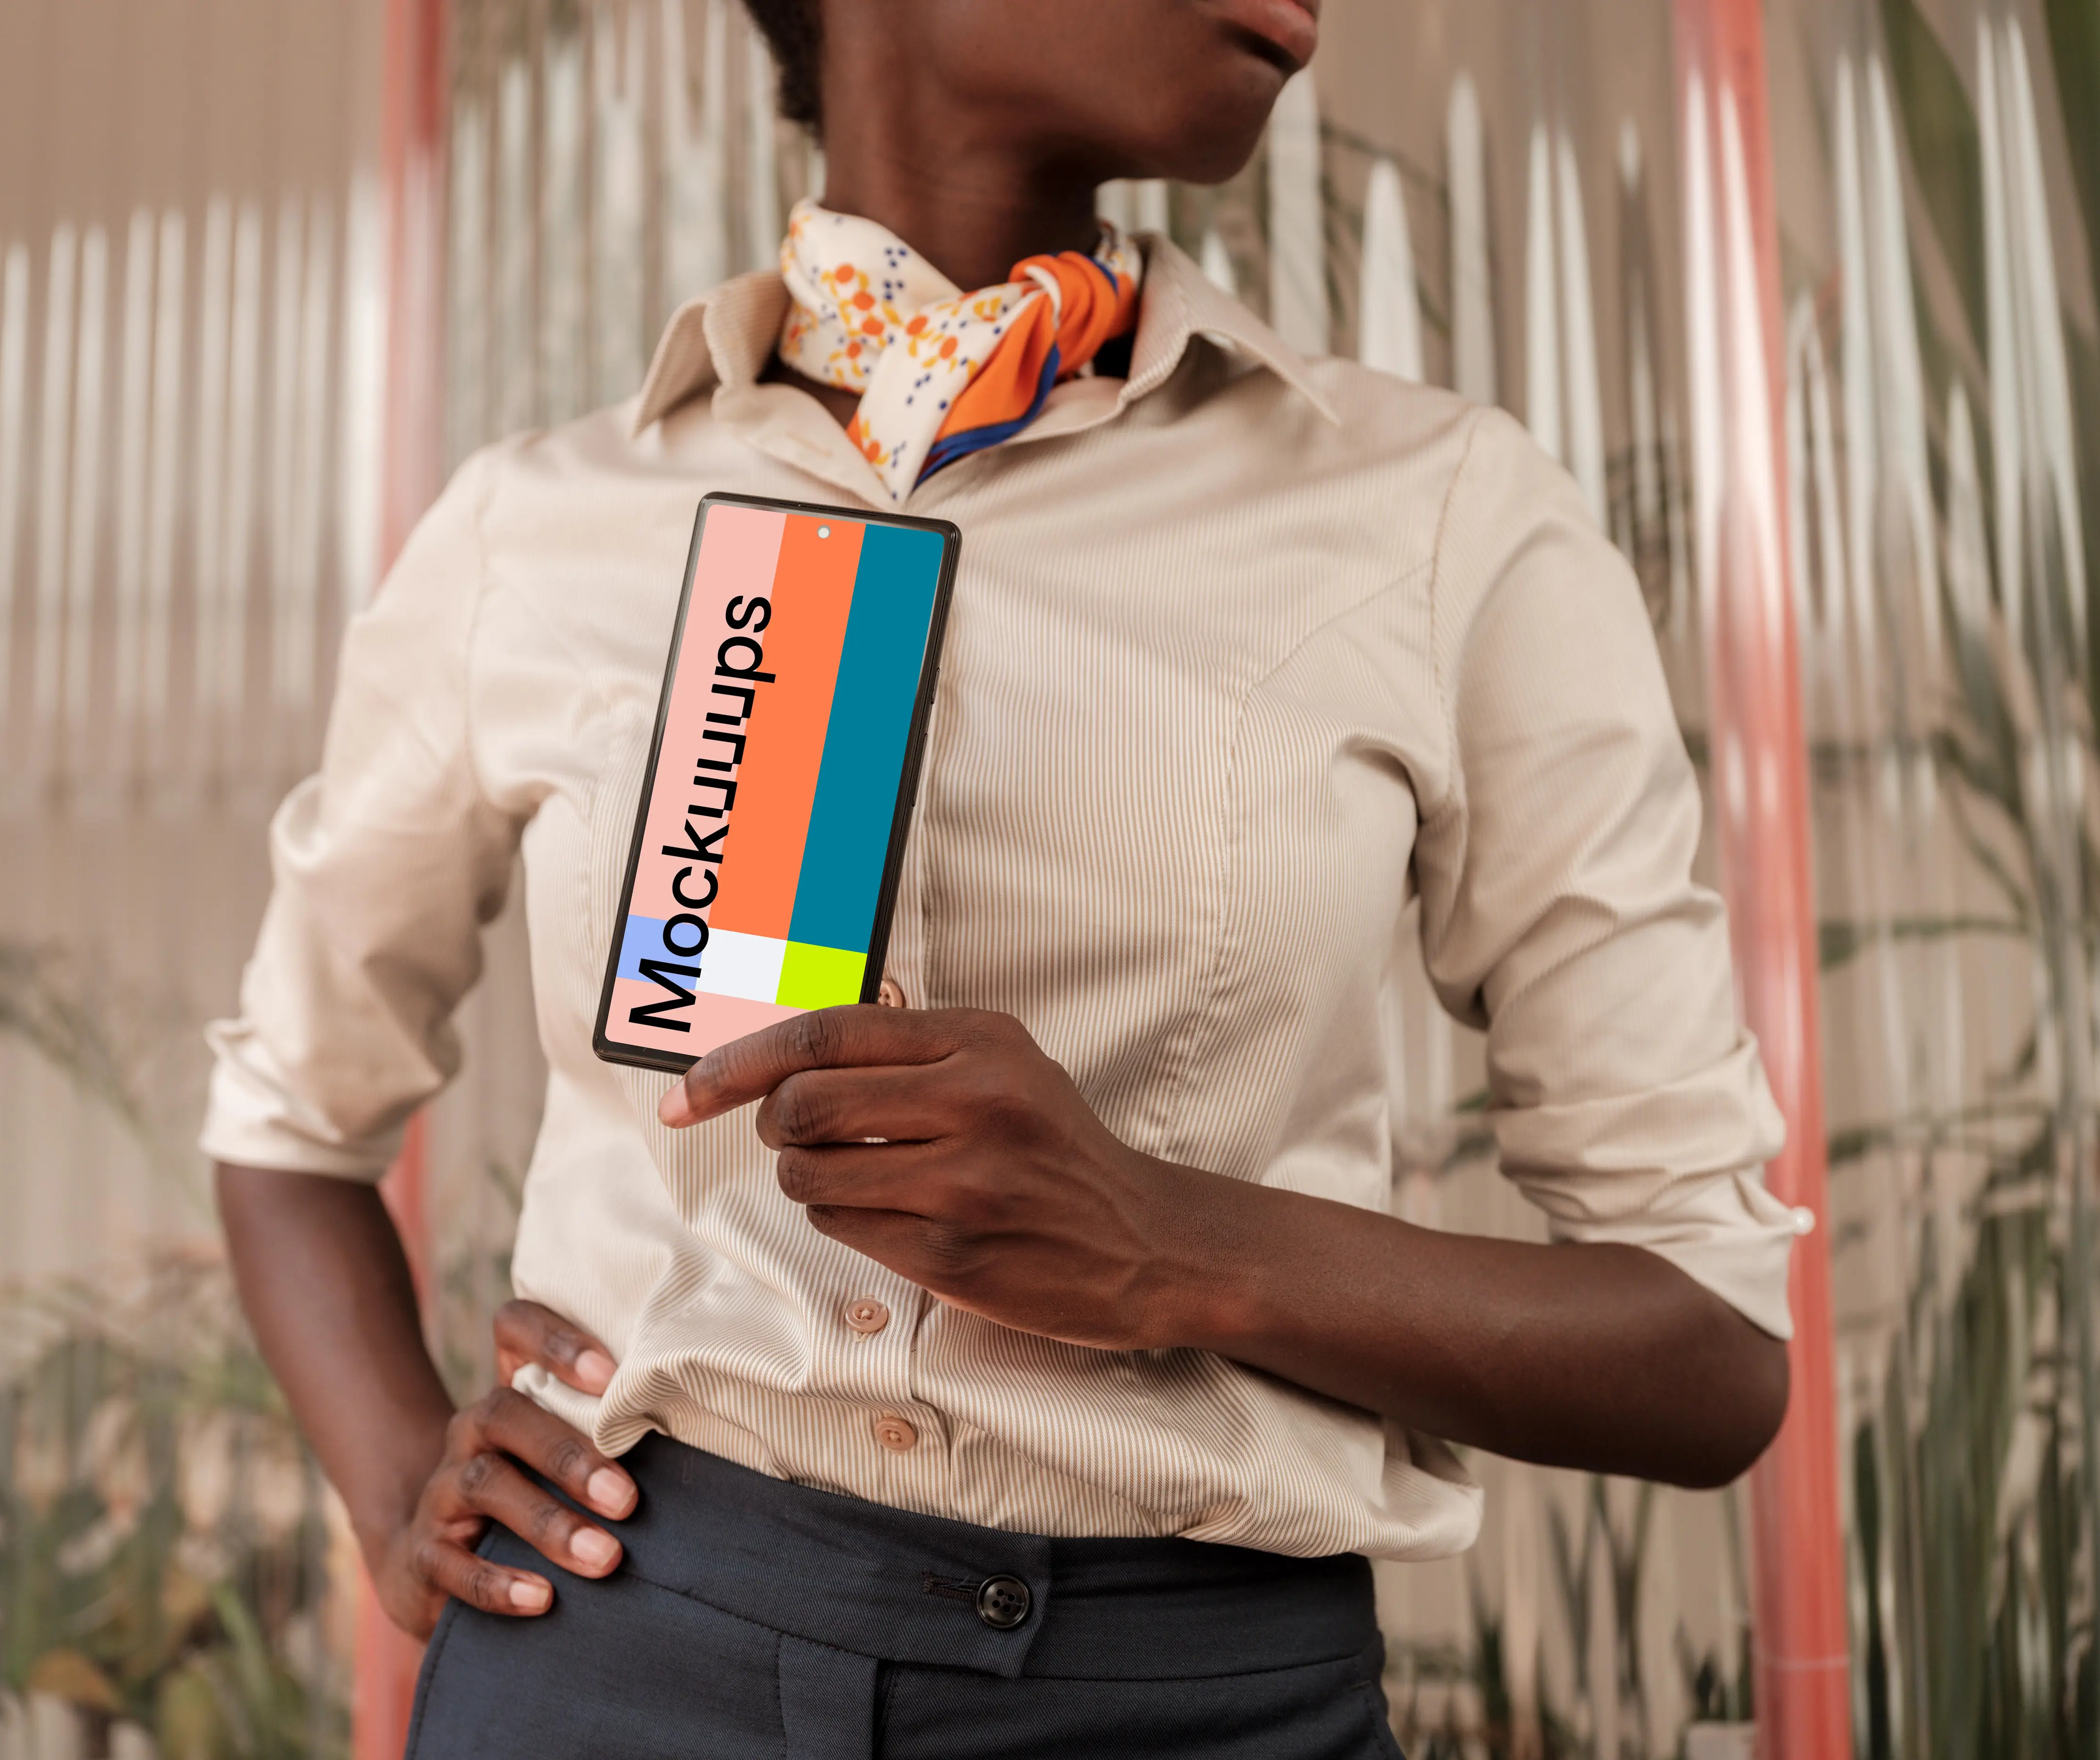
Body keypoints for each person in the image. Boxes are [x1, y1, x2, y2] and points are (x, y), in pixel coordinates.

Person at [204, 0, 1799, 1752]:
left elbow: (1707, 1343)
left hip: (1195, 1705)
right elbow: (292, 1113)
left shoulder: (1440, 517)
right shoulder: (539, 525)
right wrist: (388, 1486)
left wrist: (1171, 1243)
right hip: (616, 1655)